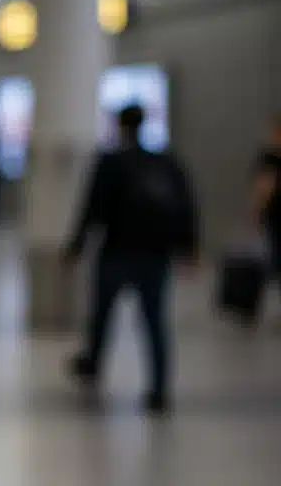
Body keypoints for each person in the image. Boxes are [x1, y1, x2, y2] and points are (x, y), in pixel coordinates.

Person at [63, 104, 199, 415]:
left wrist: (75, 247)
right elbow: (186, 205)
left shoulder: (110, 162)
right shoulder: (165, 162)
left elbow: (92, 208)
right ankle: (159, 389)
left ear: (119, 126)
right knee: (154, 322)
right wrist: (189, 248)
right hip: (155, 254)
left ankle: (93, 365)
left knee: (102, 314)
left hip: (117, 251)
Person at [251, 115, 281, 274]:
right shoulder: (269, 158)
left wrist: (256, 211)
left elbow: (264, 188)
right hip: (274, 213)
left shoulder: (269, 159)